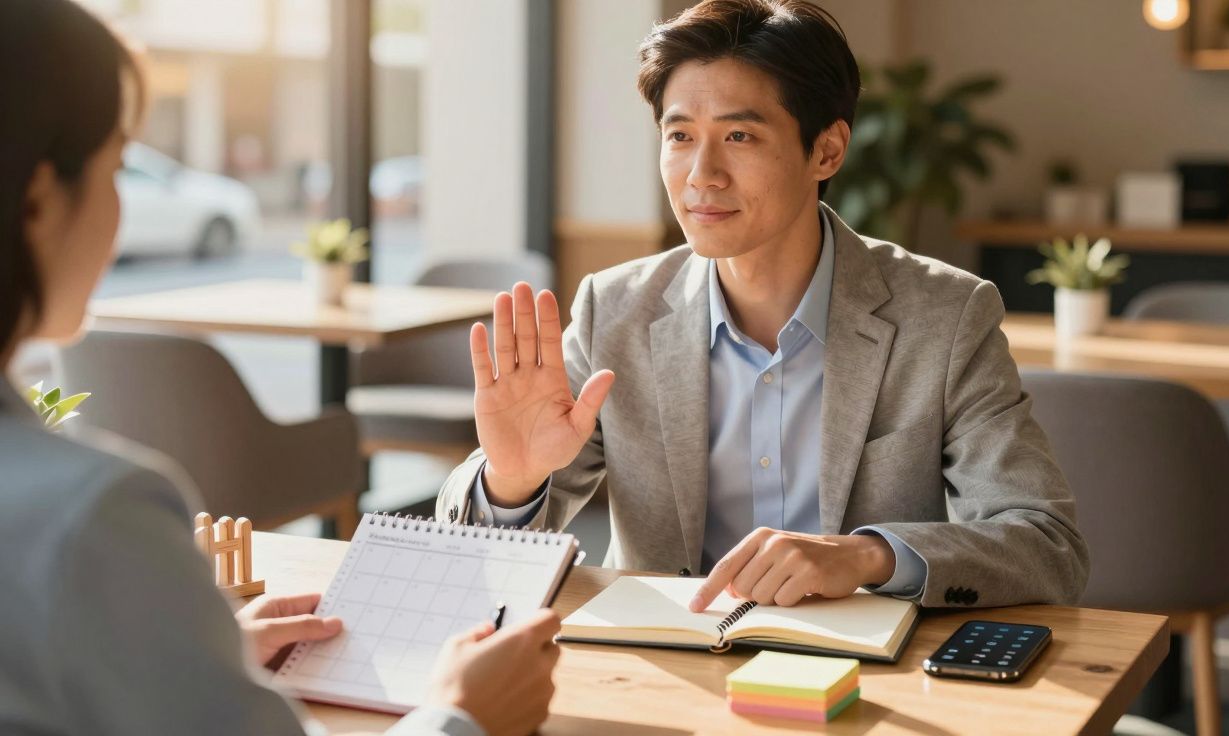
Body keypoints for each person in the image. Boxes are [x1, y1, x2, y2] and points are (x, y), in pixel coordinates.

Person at [0, 2, 558, 735]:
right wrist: (459, 716)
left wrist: (200, 655)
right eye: (114, 168)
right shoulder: (97, 518)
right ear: (41, 200)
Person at [438, 0, 1089, 611]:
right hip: (664, 672)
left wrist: (864, 556)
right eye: (680, 136)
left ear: (827, 149)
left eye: (740, 137)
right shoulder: (615, 311)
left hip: (861, 682)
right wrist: (512, 480)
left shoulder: (944, 316)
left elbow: (1045, 544)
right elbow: (466, 554)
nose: (702, 175)